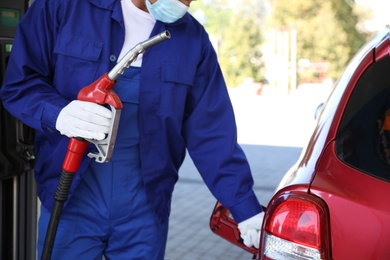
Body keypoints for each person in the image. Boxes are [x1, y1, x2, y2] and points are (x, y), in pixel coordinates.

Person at [1, 0, 264, 258]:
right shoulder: (62, 7)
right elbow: (19, 85)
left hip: (145, 208)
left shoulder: (193, 40)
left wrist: (245, 207)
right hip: (69, 197)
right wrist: (59, 114)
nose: (187, 3)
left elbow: (211, 132)